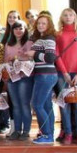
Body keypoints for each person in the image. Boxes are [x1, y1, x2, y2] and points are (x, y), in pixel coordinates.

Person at [55, 8, 77, 144]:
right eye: (65, 15)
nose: (68, 17)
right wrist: (65, 72)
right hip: (63, 74)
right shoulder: (59, 35)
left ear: (75, 17)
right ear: (62, 18)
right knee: (64, 105)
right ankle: (68, 133)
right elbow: (57, 54)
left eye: (71, 15)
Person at [28, 14, 58, 144]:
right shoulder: (40, 38)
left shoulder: (49, 39)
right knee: (46, 106)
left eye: (43, 23)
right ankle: (49, 134)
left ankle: (46, 134)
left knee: (37, 104)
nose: (40, 25)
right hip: (43, 74)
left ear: (49, 25)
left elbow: (50, 58)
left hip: (45, 75)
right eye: (39, 23)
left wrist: (34, 53)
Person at [3, 20, 33, 141]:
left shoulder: (29, 42)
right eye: (16, 28)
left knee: (24, 104)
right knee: (15, 105)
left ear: (25, 30)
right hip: (12, 77)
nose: (18, 31)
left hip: (24, 77)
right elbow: (5, 60)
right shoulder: (8, 44)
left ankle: (26, 131)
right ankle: (17, 130)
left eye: (21, 28)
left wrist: (17, 57)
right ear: (12, 30)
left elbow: (31, 57)